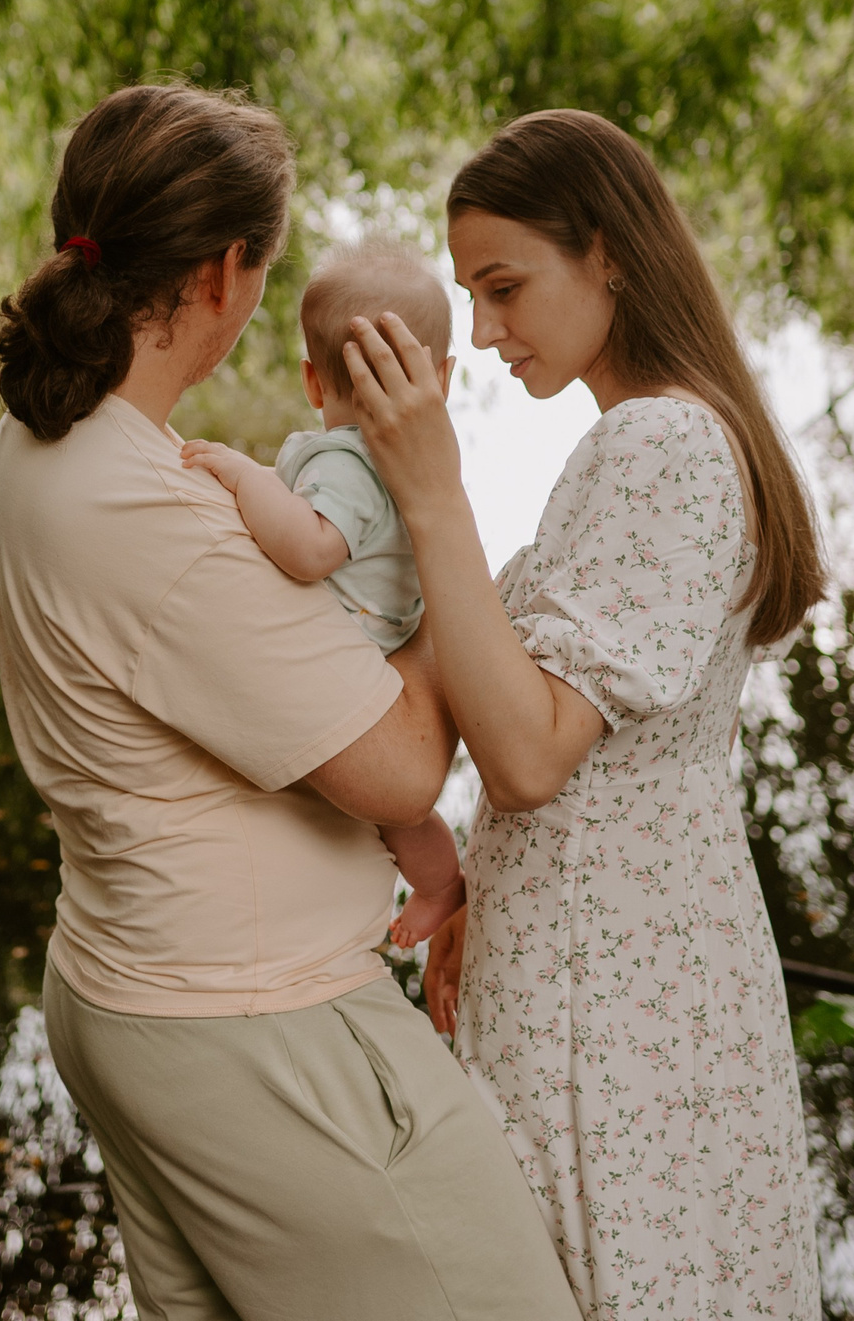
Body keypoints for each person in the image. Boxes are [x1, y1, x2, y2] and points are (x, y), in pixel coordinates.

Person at [0, 84, 579, 1321]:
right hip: (257, 1028)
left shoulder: (43, 442)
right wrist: (431, 515)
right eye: (264, 267)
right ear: (221, 273)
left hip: (138, 998)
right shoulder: (148, 508)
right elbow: (400, 769)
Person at [342, 109, 826, 1320]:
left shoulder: (659, 441)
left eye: (504, 287)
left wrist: (431, 490)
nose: (484, 331)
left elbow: (529, 759)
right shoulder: (659, 438)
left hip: (609, 986)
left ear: (605, 252)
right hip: (643, 949)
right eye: (470, 295)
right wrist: (475, 887)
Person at [178, 237, 466, 949]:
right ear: (442, 378)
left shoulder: (346, 462)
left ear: (313, 381)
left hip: (357, 651)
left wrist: (245, 476)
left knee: (389, 807)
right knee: (396, 816)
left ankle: (439, 885)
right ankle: (434, 883)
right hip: (387, 637)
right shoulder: (407, 463)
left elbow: (311, 550)